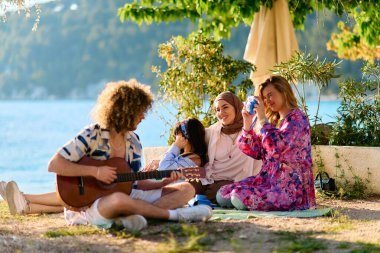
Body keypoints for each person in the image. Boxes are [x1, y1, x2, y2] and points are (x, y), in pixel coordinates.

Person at [4, 79, 212, 230]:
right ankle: (175, 216)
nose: (142, 117)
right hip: (91, 205)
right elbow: (55, 164)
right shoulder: (93, 134)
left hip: (128, 195)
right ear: (124, 110)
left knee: (185, 189)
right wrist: (95, 171)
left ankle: (132, 217)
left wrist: (163, 181)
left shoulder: (134, 142)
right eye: (140, 111)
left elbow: (134, 184)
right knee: (118, 201)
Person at [216, 75, 316, 211]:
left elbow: (277, 148)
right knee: (223, 193)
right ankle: (243, 201)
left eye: (270, 95)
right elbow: (255, 151)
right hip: (267, 180)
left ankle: (246, 202)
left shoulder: (297, 119)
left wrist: (262, 119)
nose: (267, 101)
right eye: (264, 98)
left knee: (239, 197)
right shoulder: (273, 122)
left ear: (283, 92)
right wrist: (247, 122)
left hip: (291, 187)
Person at [189, 91, 261, 204]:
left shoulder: (250, 130)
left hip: (234, 183)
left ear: (236, 107)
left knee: (220, 193)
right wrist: (162, 158)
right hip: (209, 180)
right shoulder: (212, 132)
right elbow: (189, 140)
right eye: (217, 110)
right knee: (187, 186)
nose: (221, 113)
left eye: (225, 107)